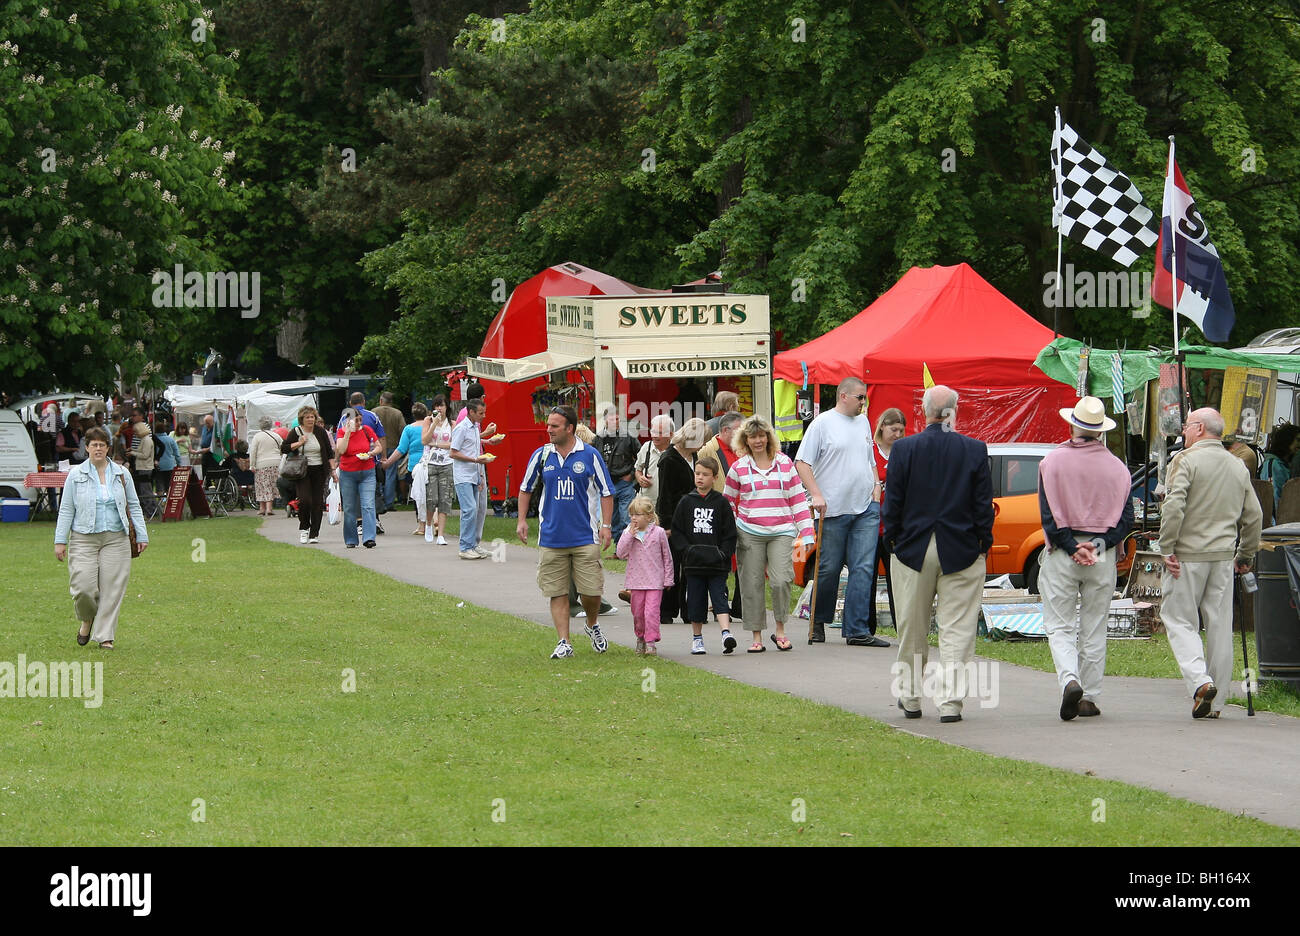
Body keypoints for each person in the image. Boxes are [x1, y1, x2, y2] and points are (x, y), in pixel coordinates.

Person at [883, 385, 994, 723]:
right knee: (957, 630)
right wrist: (982, 542)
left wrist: (893, 540)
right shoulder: (974, 450)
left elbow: (893, 502)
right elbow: (983, 505)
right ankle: (950, 704)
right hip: (960, 548)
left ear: (924, 410)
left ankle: (911, 697)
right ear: (954, 411)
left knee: (911, 628)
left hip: (912, 549)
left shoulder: (903, 449)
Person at [1160, 408, 1263, 719]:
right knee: (1219, 626)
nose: (1184, 432)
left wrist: (1166, 547)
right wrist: (1245, 555)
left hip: (1187, 556)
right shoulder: (1237, 466)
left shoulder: (1185, 460)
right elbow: (1254, 516)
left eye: (1188, 425)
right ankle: (1215, 703)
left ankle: (1200, 682)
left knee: (1179, 619)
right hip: (1222, 558)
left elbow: (1174, 505)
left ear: (1200, 428)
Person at [1037, 398, 1134, 720]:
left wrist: (1070, 545)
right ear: (1101, 431)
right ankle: (1089, 696)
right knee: (1094, 626)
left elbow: (1048, 515)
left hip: (1064, 553)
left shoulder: (1052, 463)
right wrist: (1098, 544)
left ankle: (1070, 679)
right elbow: (1125, 520)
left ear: (1073, 425)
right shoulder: (1118, 469)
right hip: (1101, 555)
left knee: (1060, 625)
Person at [516, 405, 615, 659]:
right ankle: (564, 641)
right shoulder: (541, 455)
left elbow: (606, 492)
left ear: (569, 428)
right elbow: (526, 488)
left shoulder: (590, 454)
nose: (548, 429)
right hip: (551, 538)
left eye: (554, 426)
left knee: (591, 592)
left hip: (585, 536)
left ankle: (592, 624)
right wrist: (521, 521)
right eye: (548, 425)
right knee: (557, 590)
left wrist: (606, 525)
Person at [795, 377, 888, 647]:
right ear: (843, 396)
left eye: (864, 398)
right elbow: (802, 463)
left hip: (864, 507)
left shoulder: (863, 422)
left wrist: (876, 487)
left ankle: (857, 629)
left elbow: (869, 459)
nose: (864, 402)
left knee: (863, 567)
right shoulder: (822, 424)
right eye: (860, 397)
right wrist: (816, 494)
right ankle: (818, 622)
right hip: (832, 508)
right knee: (828, 568)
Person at [724, 415, 814, 652]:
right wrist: (734, 528)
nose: (757, 440)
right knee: (751, 584)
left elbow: (798, 500)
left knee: (781, 579)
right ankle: (756, 637)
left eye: (761, 435)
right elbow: (728, 502)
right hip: (749, 532)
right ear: (745, 440)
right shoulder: (739, 467)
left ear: (768, 437)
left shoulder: (785, 464)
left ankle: (781, 630)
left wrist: (807, 533)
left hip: (782, 531)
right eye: (752, 436)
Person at [53, 426, 148, 650]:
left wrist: (142, 534)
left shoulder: (122, 474)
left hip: (116, 538)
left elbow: (133, 505)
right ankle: (87, 620)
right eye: (94, 445)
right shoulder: (76, 475)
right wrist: (60, 540)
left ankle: (105, 636)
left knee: (112, 589)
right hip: (83, 538)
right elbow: (66, 509)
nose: (98, 448)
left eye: (102, 445)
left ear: (108, 448)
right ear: (86, 448)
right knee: (84, 588)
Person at [671, 455, 738, 655]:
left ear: (714, 477)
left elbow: (729, 533)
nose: (700, 478)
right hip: (694, 564)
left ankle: (726, 632)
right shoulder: (686, 502)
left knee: (720, 597)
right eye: (697, 473)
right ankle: (697, 639)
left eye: (705, 474)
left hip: (717, 564)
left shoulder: (721, 503)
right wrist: (687, 551)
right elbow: (677, 531)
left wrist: (724, 554)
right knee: (696, 601)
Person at [656, 417, 708, 629]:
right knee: (671, 567)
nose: (704, 444)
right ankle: (667, 609)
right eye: (702, 440)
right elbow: (665, 495)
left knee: (690, 567)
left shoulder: (694, 456)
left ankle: (690, 610)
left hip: (692, 518)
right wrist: (667, 525)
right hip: (674, 521)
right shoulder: (669, 459)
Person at [616, 496, 674, 655]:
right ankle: (640, 637)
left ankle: (650, 642)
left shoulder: (659, 533)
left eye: (638, 514)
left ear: (648, 516)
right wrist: (629, 535)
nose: (634, 518)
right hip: (636, 581)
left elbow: (667, 556)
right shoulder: (628, 532)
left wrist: (668, 578)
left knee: (651, 613)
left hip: (655, 581)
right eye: (632, 515)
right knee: (638, 613)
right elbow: (621, 553)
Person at [867, 408, 906, 636]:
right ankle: (866, 627)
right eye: (894, 429)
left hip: (897, 528)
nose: (898, 434)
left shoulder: (904, 451)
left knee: (898, 582)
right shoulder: (871, 452)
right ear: (882, 427)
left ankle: (900, 626)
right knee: (868, 577)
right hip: (871, 526)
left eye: (901, 430)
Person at [283, 407, 337, 543]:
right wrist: (299, 443)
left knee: (318, 502)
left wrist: (333, 471)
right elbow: (284, 448)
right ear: (302, 419)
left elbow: (329, 453)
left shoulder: (321, 432)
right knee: (305, 500)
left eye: (312, 417)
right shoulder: (296, 432)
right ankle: (304, 528)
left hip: (319, 470)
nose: (310, 419)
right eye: (307, 417)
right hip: (302, 471)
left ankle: (314, 534)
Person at [451, 398, 492, 559]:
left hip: (474, 474)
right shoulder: (461, 428)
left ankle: (473, 545)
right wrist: (475, 461)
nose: (484, 416)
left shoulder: (475, 427)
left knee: (475, 510)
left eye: (484, 412)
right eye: (481, 413)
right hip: (463, 475)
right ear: (471, 412)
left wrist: (480, 475)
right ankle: (464, 547)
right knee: (469, 509)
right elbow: (453, 452)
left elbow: (475, 449)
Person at [335, 406, 382, 548]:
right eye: (356, 421)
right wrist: (348, 432)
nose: (359, 423)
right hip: (348, 473)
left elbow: (378, 446)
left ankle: (369, 538)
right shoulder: (341, 432)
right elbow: (341, 450)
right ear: (347, 421)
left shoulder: (367, 430)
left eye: (360, 420)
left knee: (368, 505)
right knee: (349, 507)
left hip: (367, 471)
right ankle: (351, 539)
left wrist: (372, 453)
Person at [595, 404, 641, 546]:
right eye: (612, 418)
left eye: (617, 418)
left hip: (624, 482)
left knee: (626, 517)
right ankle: (618, 549)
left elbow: (640, 457)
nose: (615, 420)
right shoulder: (598, 439)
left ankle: (629, 548)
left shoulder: (628, 437)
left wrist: (632, 475)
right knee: (612, 518)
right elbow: (594, 460)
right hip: (607, 485)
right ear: (605, 420)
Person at [381, 402, 429, 533]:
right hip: (430, 463)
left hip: (414, 466)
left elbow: (401, 449)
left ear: (413, 415)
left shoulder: (409, 429)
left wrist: (388, 462)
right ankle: (432, 523)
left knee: (417, 495)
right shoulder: (431, 426)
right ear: (426, 413)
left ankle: (421, 525)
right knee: (431, 495)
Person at [421, 396, 455, 545]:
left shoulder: (452, 423)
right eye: (436, 406)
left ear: (446, 407)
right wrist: (434, 424)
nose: (439, 409)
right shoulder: (428, 421)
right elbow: (424, 440)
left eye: (441, 406)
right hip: (431, 462)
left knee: (445, 499)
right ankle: (428, 524)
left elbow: (453, 444)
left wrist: (436, 444)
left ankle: (441, 534)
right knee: (431, 498)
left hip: (447, 463)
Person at [373, 391, 407, 511]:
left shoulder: (374, 412)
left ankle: (378, 500)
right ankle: (389, 502)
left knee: (377, 473)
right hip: (393, 446)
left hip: (377, 447)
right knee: (391, 475)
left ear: (381, 401)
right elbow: (403, 430)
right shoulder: (397, 414)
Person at [634, 414, 675, 509]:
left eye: (660, 433)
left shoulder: (676, 451)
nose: (655, 436)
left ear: (670, 434)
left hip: (668, 507)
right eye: (653, 431)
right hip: (645, 505)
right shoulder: (646, 447)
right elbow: (637, 469)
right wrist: (640, 478)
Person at [248, 417, 283, 517]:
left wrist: (252, 465)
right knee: (271, 485)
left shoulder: (257, 437)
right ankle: (263, 508)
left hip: (262, 464)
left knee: (262, 485)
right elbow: (283, 448)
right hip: (276, 462)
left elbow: (253, 451)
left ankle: (266, 508)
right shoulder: (276, 435)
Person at [1261, 424, 1299, 502]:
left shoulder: (1287, 465)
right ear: (1288, 440)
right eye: (1298, 440)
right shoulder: (1273, 464)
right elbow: (1273, 498)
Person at [130, 421, 157, 515]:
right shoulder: (145, 440)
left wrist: (132, 453)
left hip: (145, 468)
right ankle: (153, 510)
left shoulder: (146, 440)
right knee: (146, 490)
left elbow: (145, 455)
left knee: (146, 491)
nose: (135, 434)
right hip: (144, 467)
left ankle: (151, 511)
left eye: (136, 432)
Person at [153, 418, 181, 493]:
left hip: (157, 465)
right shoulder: (170, 439)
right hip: (169, 465)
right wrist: (179, 463)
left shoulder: (153, 440)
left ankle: (161, 501)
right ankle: (169, 500)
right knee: (169, 485)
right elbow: (176, 453)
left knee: (159, 484)